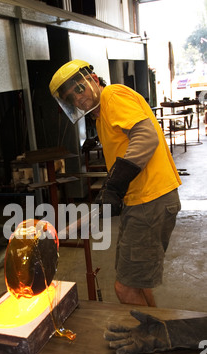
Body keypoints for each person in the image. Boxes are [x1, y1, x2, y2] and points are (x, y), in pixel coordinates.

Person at [49, 59, 182, 307]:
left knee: (125, 289)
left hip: (150, 201)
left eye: (78, 89)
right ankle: (155, 330)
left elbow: (145, 137)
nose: (78, 99)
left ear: (94, 80)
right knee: (136, 282)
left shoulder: (112, 95)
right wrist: (117, 191)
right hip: (141, 201)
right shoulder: (100, 117)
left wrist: (114, 186)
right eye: (70, 98)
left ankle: (146, 336)